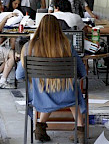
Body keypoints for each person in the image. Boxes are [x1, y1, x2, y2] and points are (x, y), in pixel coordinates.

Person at [21, 14, 86, 142]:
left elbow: (19, 75)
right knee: (72, 89)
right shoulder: (67, 45)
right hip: (67, 95)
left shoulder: (29, 47)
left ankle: (40, 128)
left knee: (48, 88)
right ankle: (80, 131)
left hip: (39, 95)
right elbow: (82, 72)